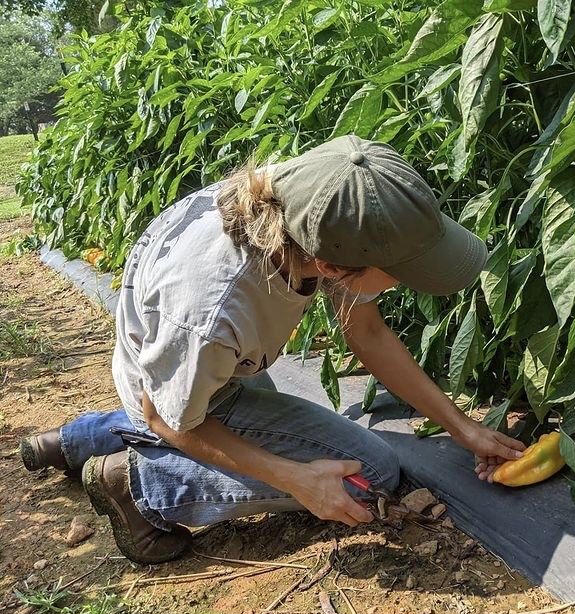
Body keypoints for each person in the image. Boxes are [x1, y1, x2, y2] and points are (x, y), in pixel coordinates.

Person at [20, 135, 526, 564]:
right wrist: (297, 480)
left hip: (185, 362)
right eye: (400, 274)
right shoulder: (214, 311)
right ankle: (142, 486)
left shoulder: (313, 203)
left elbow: (365, 332)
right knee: (367, 474)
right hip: (173, 384)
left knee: (219, 398)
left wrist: (460, 426)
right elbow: (166, 418)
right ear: (330, 268)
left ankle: (76, 438)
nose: (401, 283)